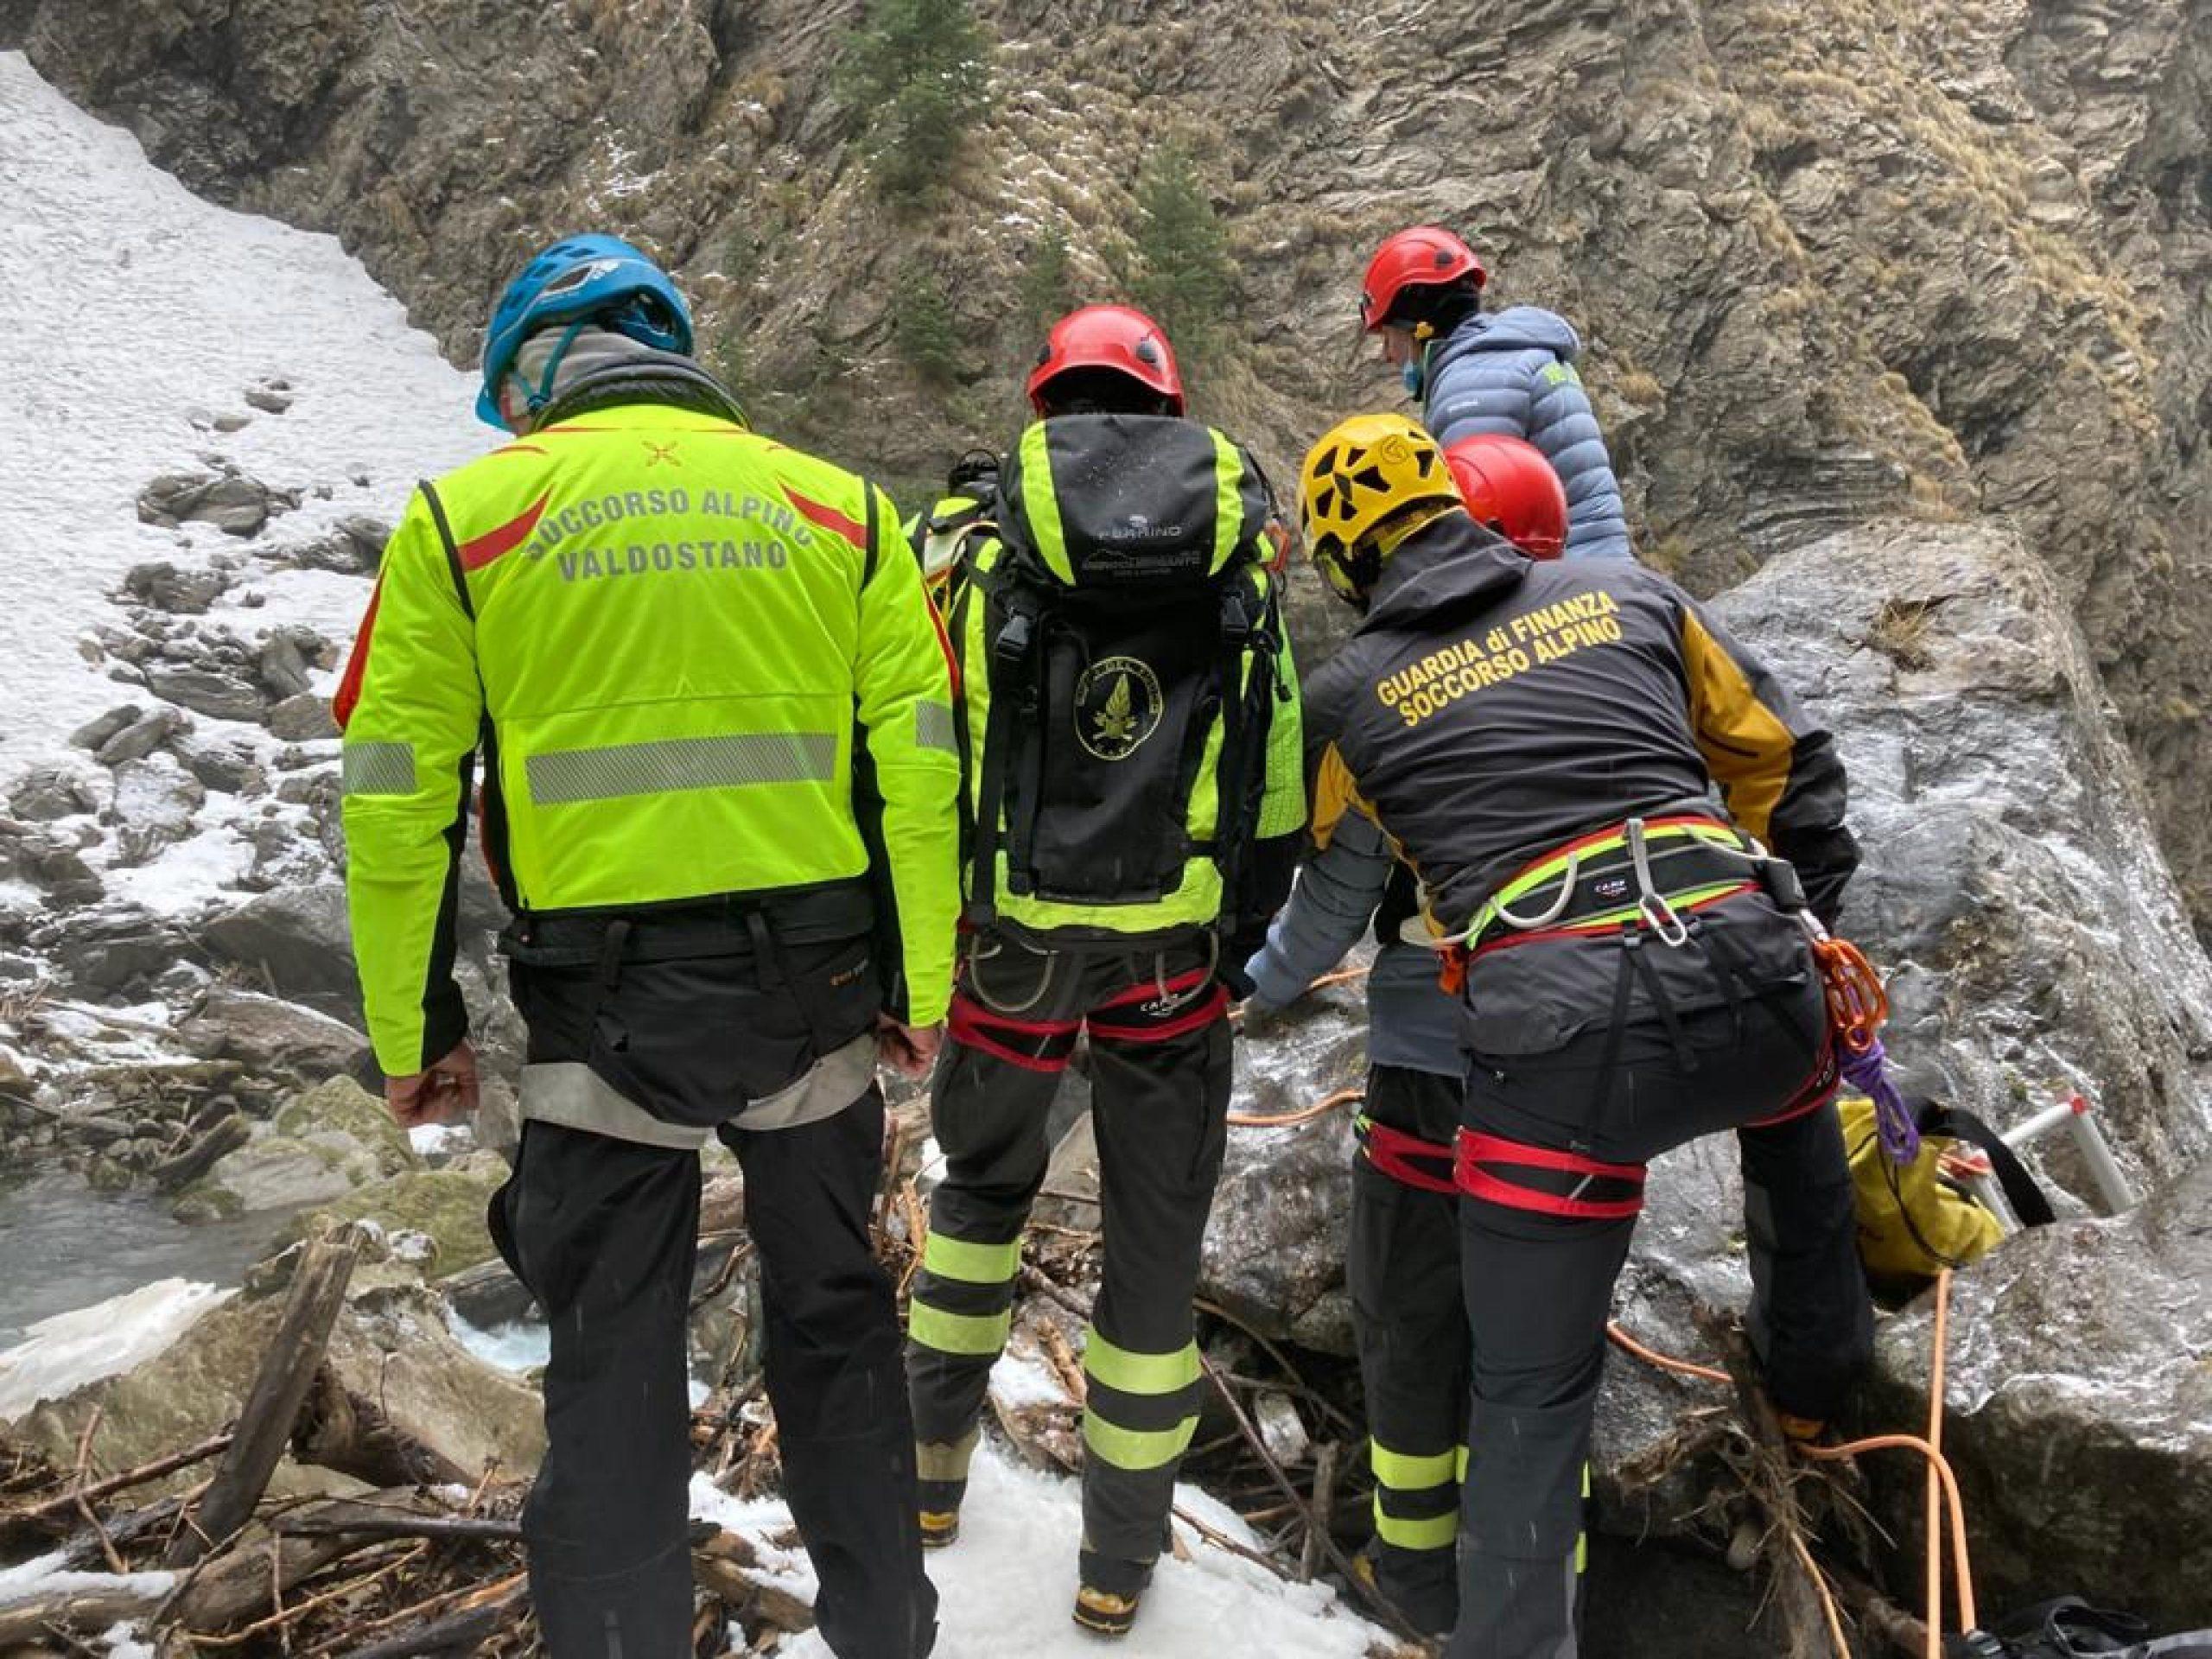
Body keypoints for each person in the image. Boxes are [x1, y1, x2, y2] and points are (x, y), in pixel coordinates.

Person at [335, 232, 957, 1659]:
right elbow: (923, 773)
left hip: (600, 1019)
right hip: (814, 1002)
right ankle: (887, 1640)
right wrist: (917, 986)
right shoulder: (846, 512)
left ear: (535, 382)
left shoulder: (463, 520)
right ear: (679, 355)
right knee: (840, 1339)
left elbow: (392, 799)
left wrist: (412, 1034)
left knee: (610, 1379)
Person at [1295, 411, 1872, 1656]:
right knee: (1793, 1124)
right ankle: (1816, 1385)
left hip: (1561, 1056)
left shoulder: (1344, 697)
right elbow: (1787, 763)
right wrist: (1797, 920)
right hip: (1752, 971)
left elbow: (1321, 865)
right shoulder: (1629, 591)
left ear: (1344, 562)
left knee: (1529, 1395)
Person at [903, 303, 1307, 1637]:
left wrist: (924, 941)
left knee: (976, 1209)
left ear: (1043, 403)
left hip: (1007, 953)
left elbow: (914, 748)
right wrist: (1238, 940)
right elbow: (1280, 772)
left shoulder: (965, 545)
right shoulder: (1239, 555)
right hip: (1171, 966)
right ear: (1170, 403)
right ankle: (1117, 1569)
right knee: (1151, 1260)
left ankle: (925, 1489)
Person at [1240, 434, 1571, 1637]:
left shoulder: (1387, 685)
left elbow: (1337, 891)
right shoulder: (1592, 633)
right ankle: (1538, 1584)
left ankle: (1416, 1579)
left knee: (1410, 1309)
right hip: (1584, 1049)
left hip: (1442, 1047)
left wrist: (1265, 981)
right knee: (1541, 1338)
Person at [1358, 225, 1631, 561]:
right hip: (1602, 569)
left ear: (1418, 326)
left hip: (1559, 586)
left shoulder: (1472, 384)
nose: (1387, 354)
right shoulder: (1522, 354)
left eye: (1388, 336)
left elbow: (1485, 530)